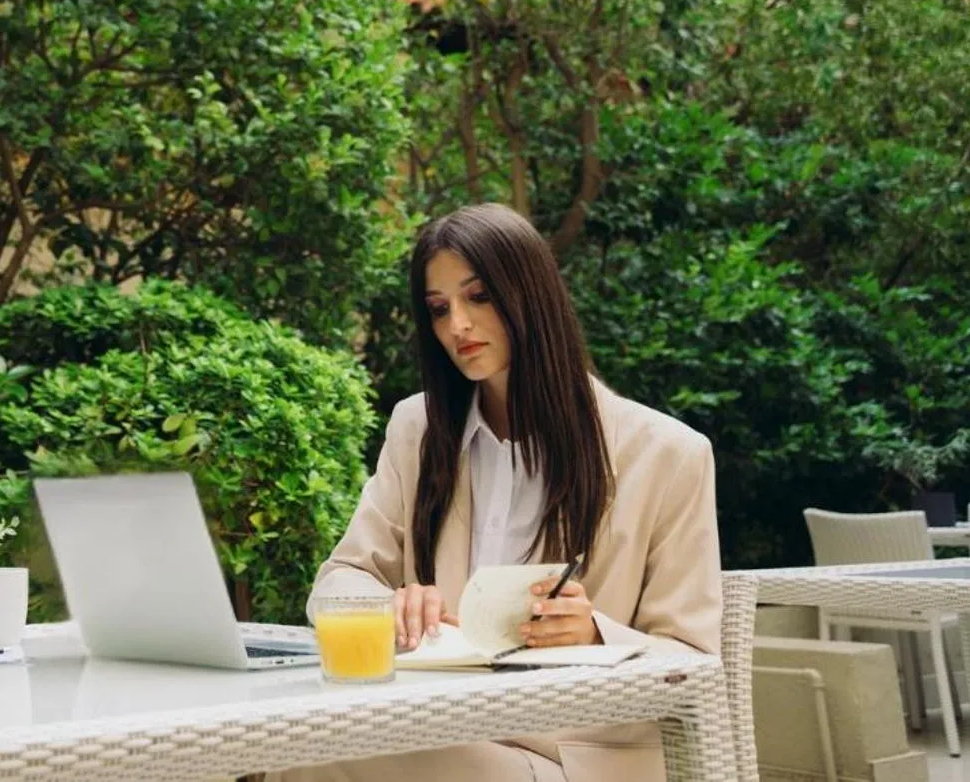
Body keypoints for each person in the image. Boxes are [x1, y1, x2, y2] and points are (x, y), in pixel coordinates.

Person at [286, 203, 719, 782]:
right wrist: (386, 607)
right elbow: (340, 579)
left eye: (479, 297)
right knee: (301, 740)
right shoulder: (418, 429)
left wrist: (596, 634)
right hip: (437, 723)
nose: (457, 326)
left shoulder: (667, 454)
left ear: (531, 295)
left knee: (318, 743)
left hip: (577, 757)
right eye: (439, 308)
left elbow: (694, 663)